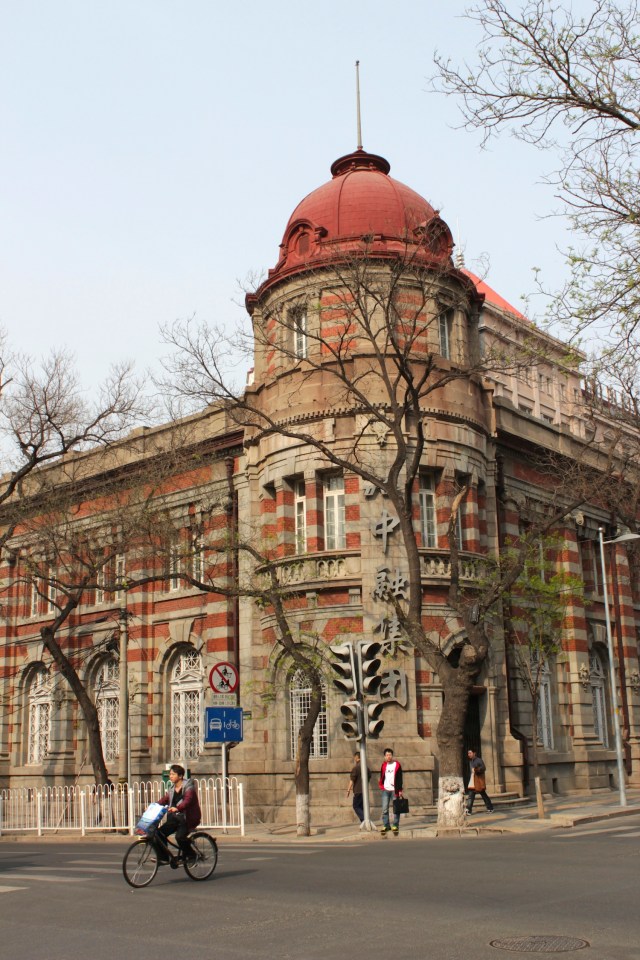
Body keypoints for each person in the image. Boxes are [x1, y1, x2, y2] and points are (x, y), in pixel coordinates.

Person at [153, 764, 201, 862]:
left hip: (187, 818)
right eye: (170, 774)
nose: (170, 776)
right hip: (176, 818)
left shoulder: (188, 787)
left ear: (180, 776)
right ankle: (164, 857)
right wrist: (153, 806)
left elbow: (187, 801)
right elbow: (165, 799)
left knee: (179, 837)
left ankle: (192, 855)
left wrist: (177, 808)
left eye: (173, 774)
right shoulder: (171, 789)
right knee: (159, 833)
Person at [378, 747, 403, 836]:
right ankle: (386, 825)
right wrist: (381, 785)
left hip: (394, 790)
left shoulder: (397, 765)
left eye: (390, 755)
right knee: (385, 809)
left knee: (396, 808)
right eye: (387, 755)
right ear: (384, 756)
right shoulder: (383, 765)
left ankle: (395, 825)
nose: (388, 757)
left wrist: (400, 790)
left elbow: (400, 778)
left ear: (392, 756)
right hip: (385, 790)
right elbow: (382, 775)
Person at [466, 749, 494, 814]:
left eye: (470, 753)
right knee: (471, 796)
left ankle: (490, 808)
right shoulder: (471, 761)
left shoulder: (479, 760)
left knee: (483, 795)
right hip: (473, 781)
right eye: (468, 753)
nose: (469, 755)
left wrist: (476, 769)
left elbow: (483, 768)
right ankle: (468, 810)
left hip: (478, 781)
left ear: (474, 753)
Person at [346, 751, 370, 823]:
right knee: (362, 807)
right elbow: (369, 777)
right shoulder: (366, 768)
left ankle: (364, 819)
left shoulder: (356, 768)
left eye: (355, 757)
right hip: (364, 790)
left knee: (356, 806)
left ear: (357, 758)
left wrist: (348, 790)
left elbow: (352, 780)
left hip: (358, 791)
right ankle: (364, 821)